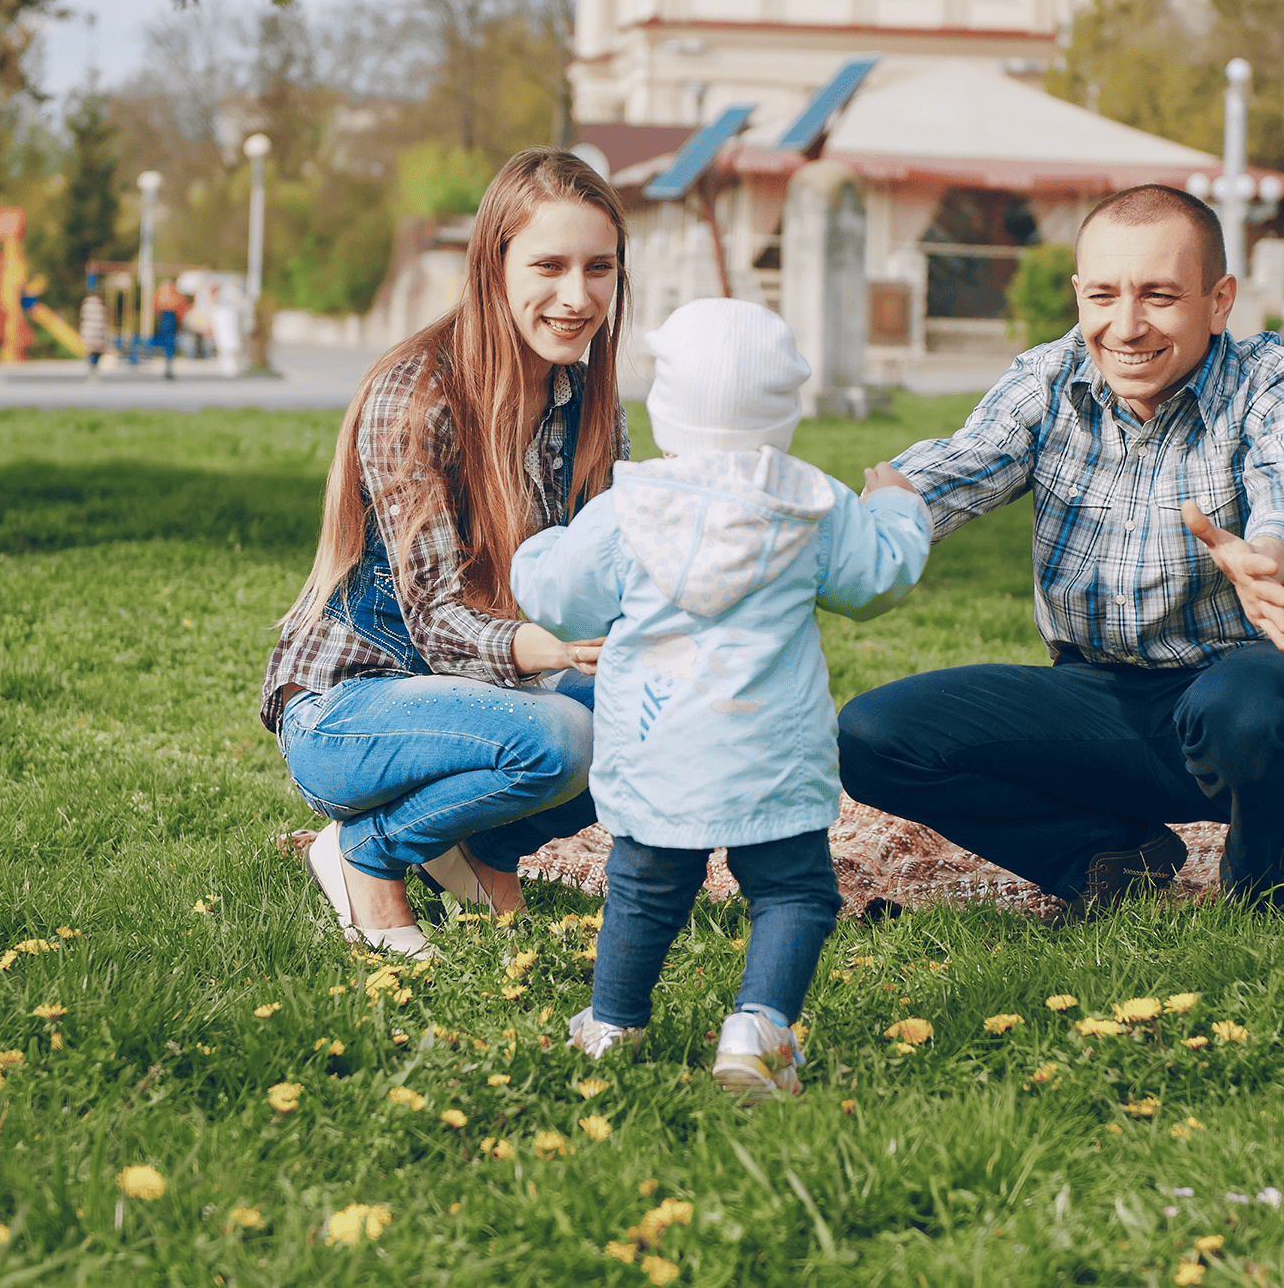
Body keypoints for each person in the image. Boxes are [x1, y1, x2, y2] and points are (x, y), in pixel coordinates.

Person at [836, 184, 1284, 910]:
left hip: (1250, 693)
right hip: (1098, 703)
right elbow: (963, 464)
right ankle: (1105, 857)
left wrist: (1269, 552)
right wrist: (865, 518)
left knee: (1249, 709)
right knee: (871, 736)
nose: (1127, 325)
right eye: (1104, 296)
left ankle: (1257, 874)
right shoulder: (1051, 377)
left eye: (1160, 296)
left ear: (1219, 299)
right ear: (1081, 295)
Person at [510, 299, 929, 1097]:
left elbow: (560, 596)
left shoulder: (628, 509)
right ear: (786, 407)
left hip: (659, 749)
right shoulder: (813, 503)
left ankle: (611, 1025)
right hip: (770, 753)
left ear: (666, 408)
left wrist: (540, 547)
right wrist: (896, 504)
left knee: (643, 889)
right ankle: (757, 1030)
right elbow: (877, 579)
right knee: (795, 892)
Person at [263, 148, 631, 958]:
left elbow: (616, 566)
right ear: (491, 265)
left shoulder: (586, 402)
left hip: (478, 695)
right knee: (564, 739)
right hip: (350, 708)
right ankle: (366, 851)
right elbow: (432, 621)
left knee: (655, 713)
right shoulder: (416, 393)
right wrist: (550, 651)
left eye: (598, 268)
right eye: (549, 265)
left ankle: (480, 849)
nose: (578, 297)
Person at [78, 285, 109, 378]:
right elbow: (101, 322)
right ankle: (93, 368)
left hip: (88, 333)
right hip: (97, 334)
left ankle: (91, 368)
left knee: (91, 352)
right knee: (97, 352)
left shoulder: (86, 305)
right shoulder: (100, 306)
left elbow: (83, 318)